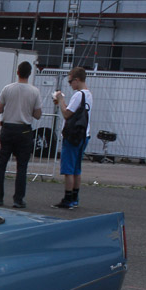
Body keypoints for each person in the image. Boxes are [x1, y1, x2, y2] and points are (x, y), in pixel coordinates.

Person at [0, 61, 42, 209]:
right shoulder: (34, 91)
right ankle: (18, 199)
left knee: (1, 165)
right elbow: (38, 114)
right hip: (24, 130)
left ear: (18, 72)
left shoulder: (8, 89)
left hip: (7, 128)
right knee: (22, 167)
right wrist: (29, 111)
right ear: (29, 73)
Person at [53, 67, 93, 209]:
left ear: (77, 80)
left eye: (70, 81)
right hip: (84, 135)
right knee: (77, 169)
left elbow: (67, 114)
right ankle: (75, 197)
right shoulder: (88, 95)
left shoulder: (78, 95)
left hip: (73, 136)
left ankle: (67, 198)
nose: (70, 84)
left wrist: (61, 99)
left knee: (68, 169)